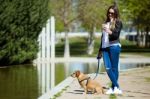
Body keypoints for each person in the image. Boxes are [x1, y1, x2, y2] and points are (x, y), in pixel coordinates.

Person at [97, 5, 123, 95]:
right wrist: (100, 50)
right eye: (109, 12)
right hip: (105, 48)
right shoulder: (106, 22)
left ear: (115, 13)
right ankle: (117, 87)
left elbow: (116, 35)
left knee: (114, 68)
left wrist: (108, 31)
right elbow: (103, 37)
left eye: (112, 13)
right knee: (108, 68)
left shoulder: (118, 22)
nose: (110, 14)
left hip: (114, 46)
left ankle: (113, 88)